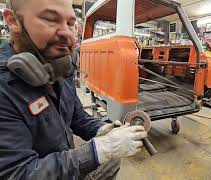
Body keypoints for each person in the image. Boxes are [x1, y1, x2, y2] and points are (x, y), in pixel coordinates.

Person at [0, 0, 147, 179]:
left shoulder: (57, 64)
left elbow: (76, 116)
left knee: (113, 159)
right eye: (50, 19)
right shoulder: (5, 88)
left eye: (70, 23)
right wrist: (98, 150)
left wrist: (103, 130)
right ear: (13, 21)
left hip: (66, 165)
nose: (68, 35)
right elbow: (18, 173)